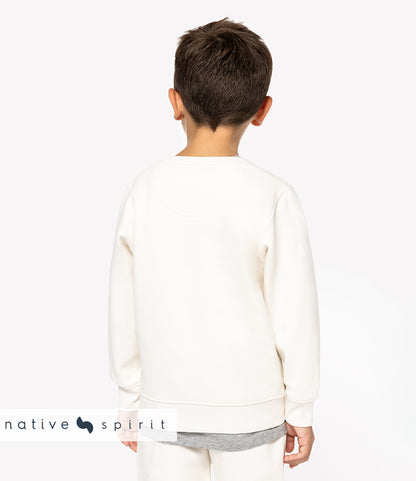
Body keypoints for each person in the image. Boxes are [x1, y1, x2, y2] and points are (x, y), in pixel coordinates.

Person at [108, 16, 320, 481]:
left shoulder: (143, 190)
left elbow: (123, 308)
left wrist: (129, 400)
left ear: (175, 102)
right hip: (251, 412)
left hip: (163, 409)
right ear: (262, 110)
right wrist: (300, 408)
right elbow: (295, 313)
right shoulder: (273, 196)